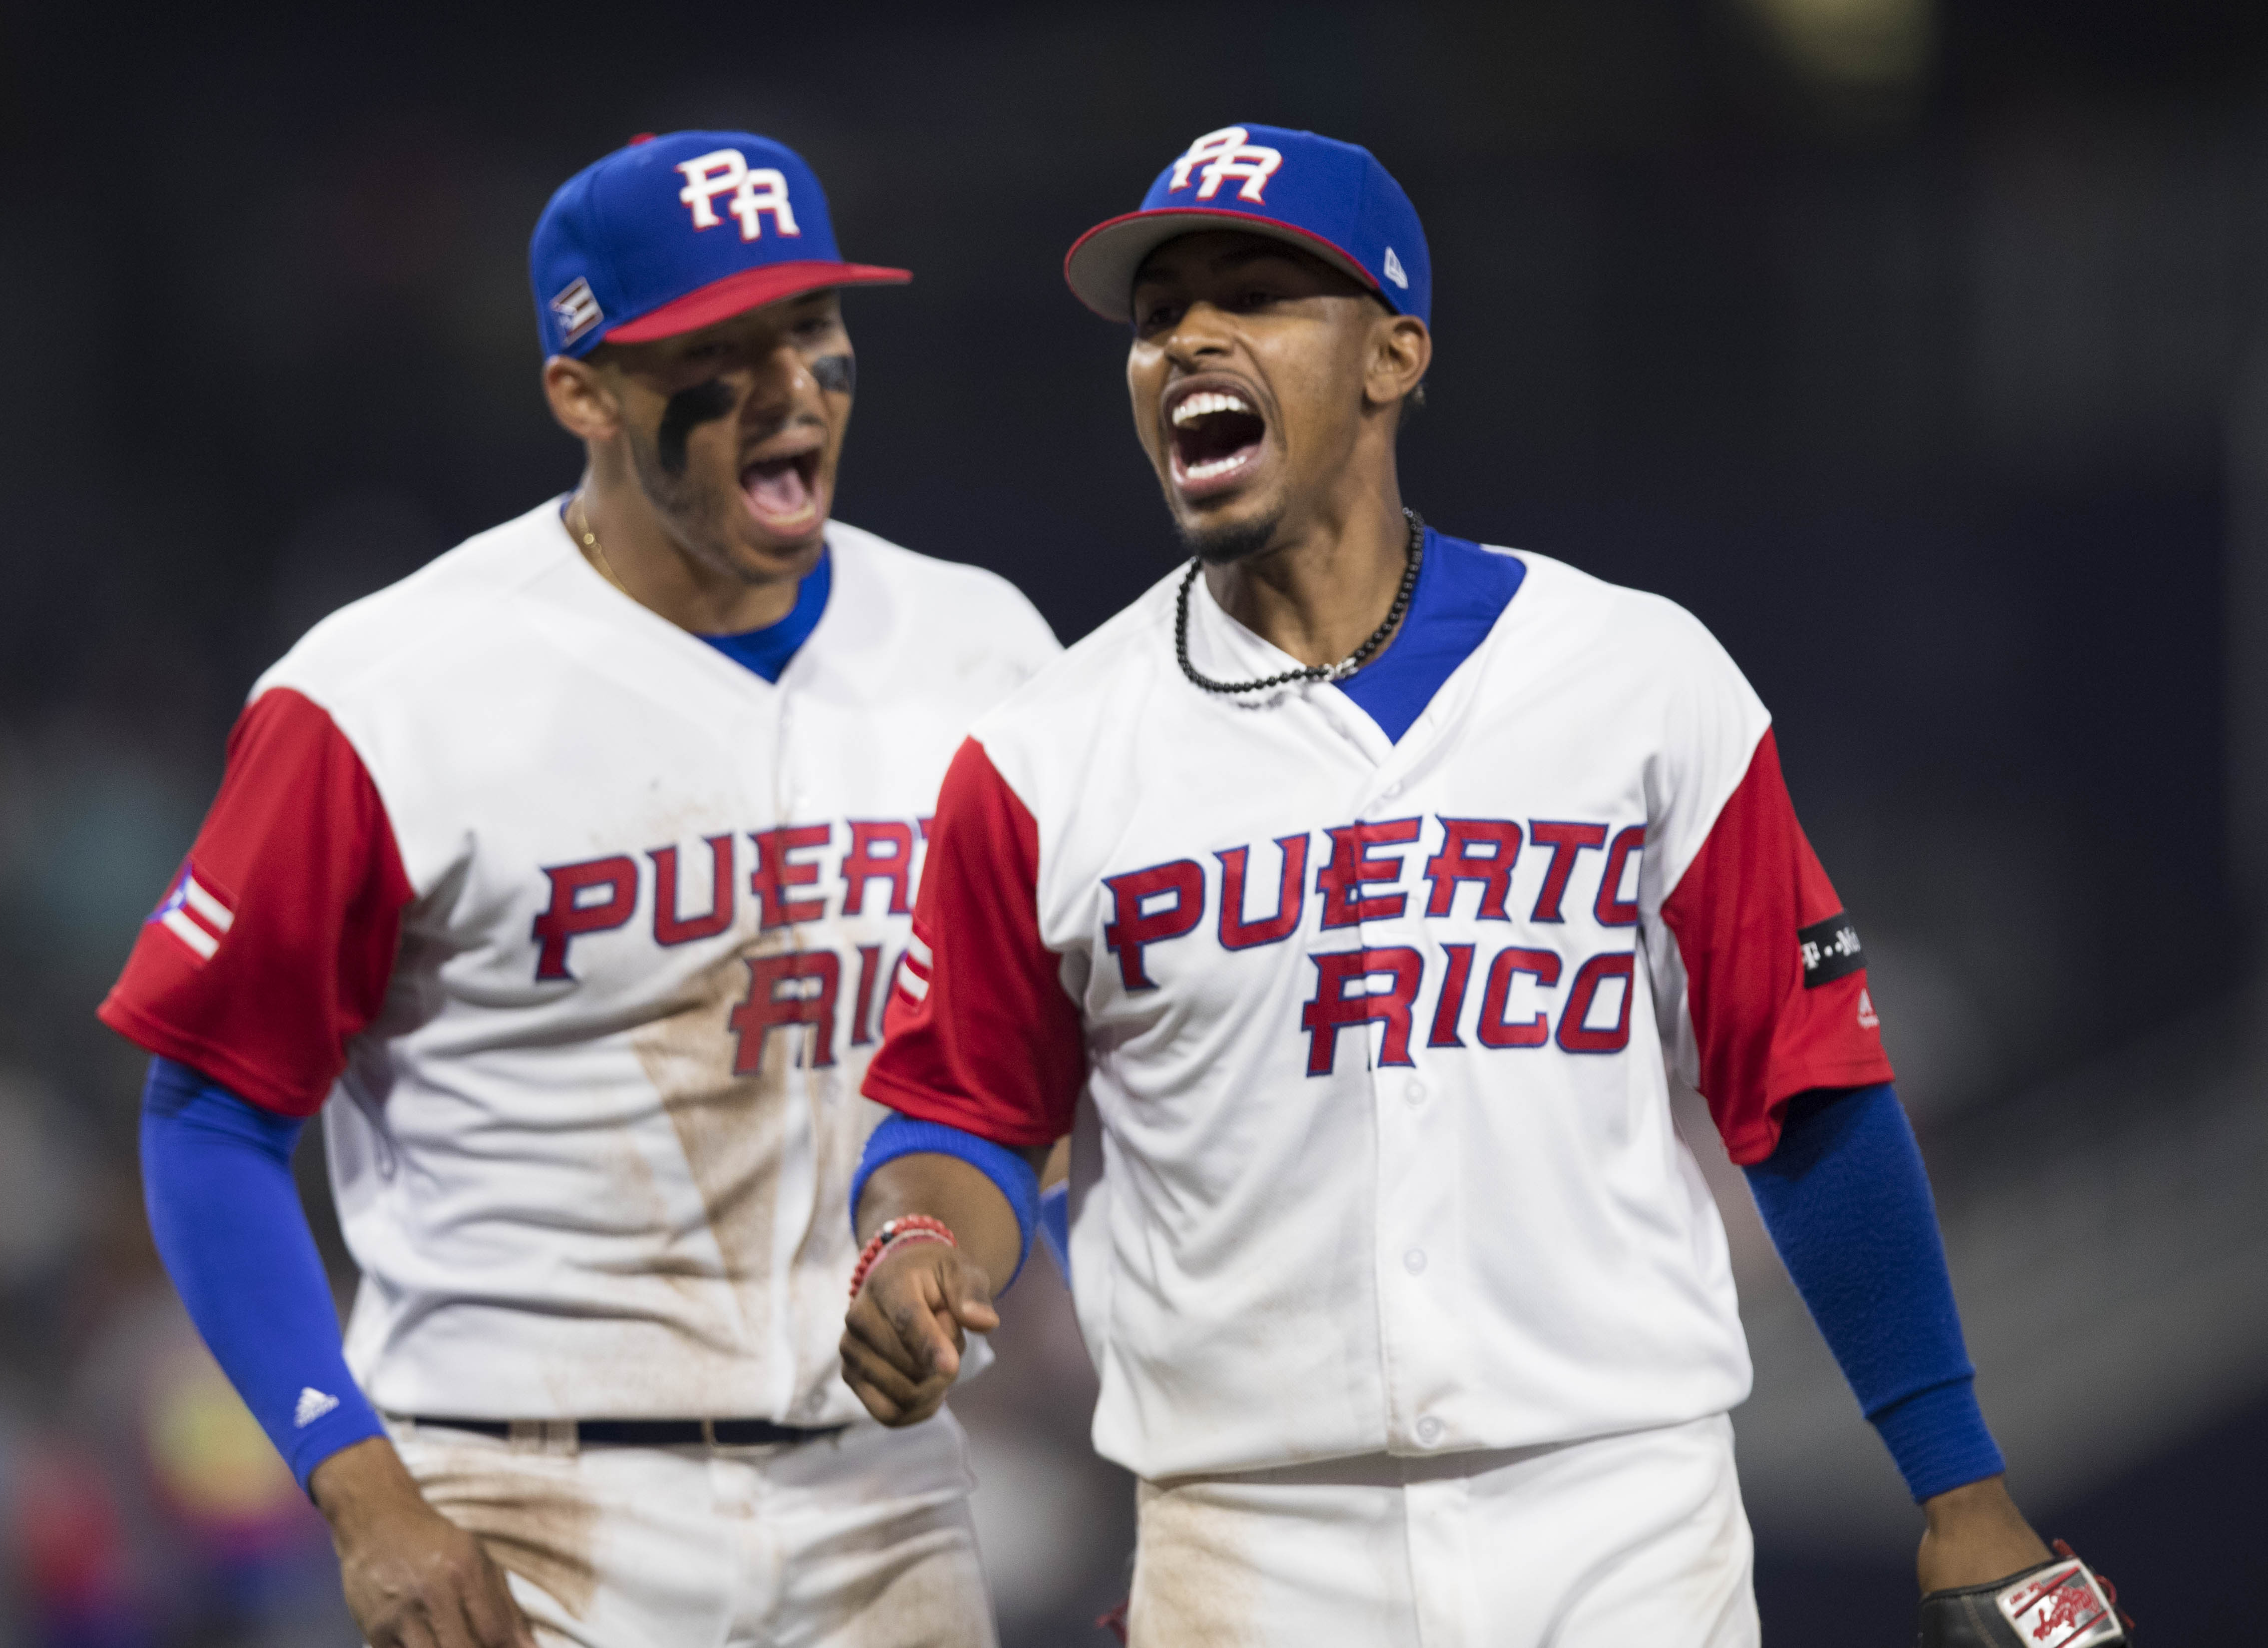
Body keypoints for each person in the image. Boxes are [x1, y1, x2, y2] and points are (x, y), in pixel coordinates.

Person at [837, 124, 2128, 1647]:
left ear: (1392, 356)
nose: (1188, 334)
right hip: (1253, 1549)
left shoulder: (1637, 680)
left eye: (1252, 293)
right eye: (1157, 312)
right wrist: (916, 1242)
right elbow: (965, 1114)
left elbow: (1813, 1097)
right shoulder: (1049, 754)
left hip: (1623, 1524)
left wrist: (1958, 1482)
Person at [100, 129, 1057, 1648]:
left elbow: (1032, 1079)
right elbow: (211, 1117)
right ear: (583, 390)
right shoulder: (384, 692)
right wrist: (361, 1492)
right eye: (718, 352)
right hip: (521, 1505)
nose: (791, 386)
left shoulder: (984, 651)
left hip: (890, 1504)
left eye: (813, 329)